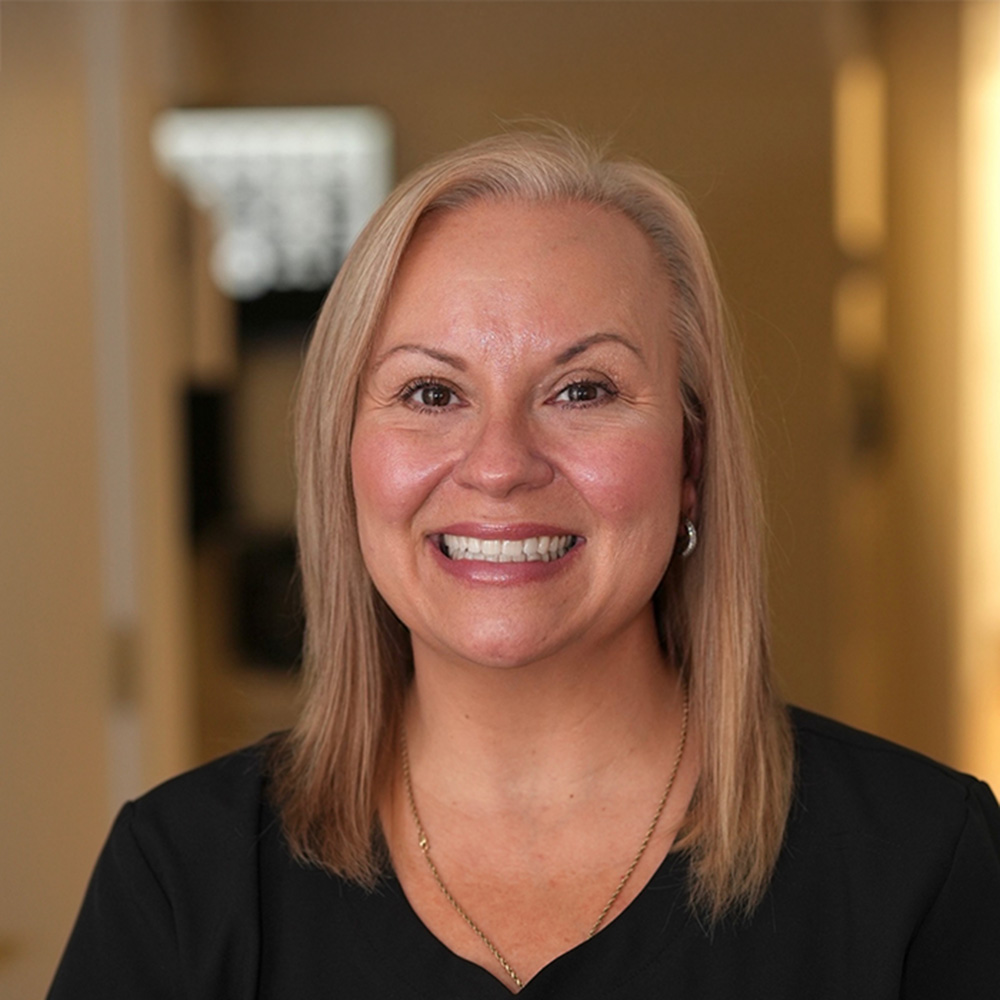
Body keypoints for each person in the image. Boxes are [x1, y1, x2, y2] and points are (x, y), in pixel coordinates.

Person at [49, 130, 1000, 999]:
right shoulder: (178, 881)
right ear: (342, 461)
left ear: (692, 464)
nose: (500, 464)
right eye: (430, 391)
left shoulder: (924, 865)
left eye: (582, 389)